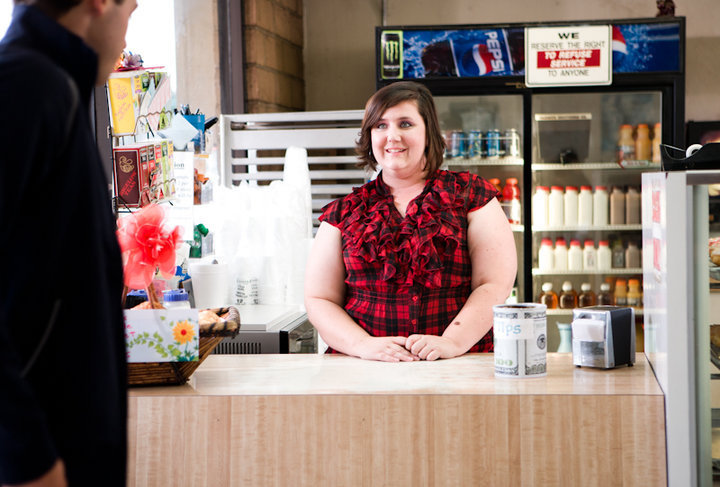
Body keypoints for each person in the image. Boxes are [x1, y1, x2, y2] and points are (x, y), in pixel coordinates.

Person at [0, 1, 137, 486]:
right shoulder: (26, 86)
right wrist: (25, 457)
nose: (126, 35)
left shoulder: (59, 88)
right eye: (131, 12)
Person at [304, 81, 517, 362]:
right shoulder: (343, 212)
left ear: (429, 131)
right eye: (380, 125)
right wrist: (362, 345)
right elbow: (319, 299)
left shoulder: (470, 195)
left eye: (405, 124)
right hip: (363, 371)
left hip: (459, 366)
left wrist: (452, 342)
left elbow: (494, 284)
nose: (392, 136)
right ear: (369, 135)